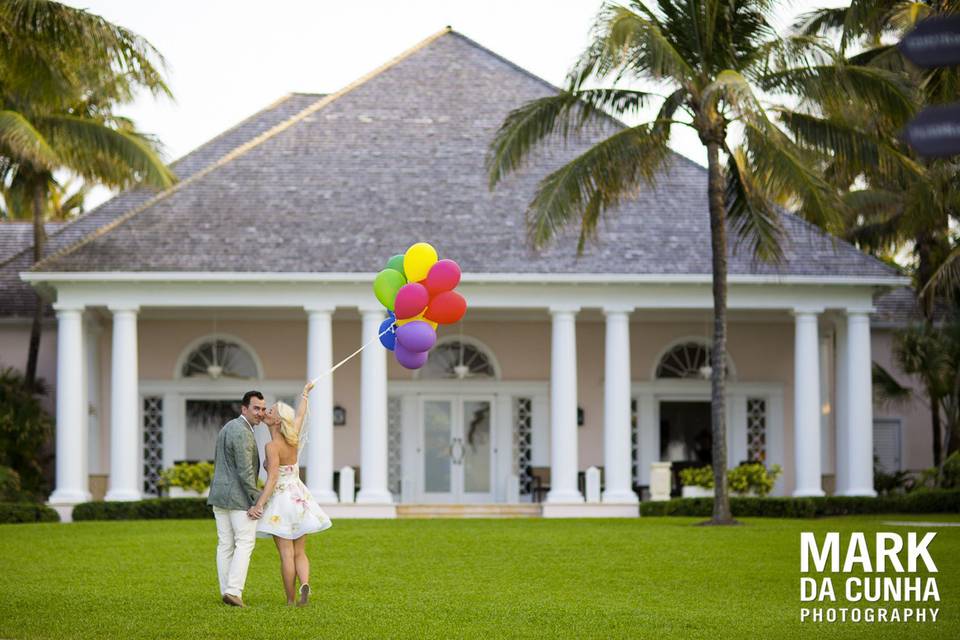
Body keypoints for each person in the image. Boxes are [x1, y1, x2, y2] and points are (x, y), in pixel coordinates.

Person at [254, 381, 333, 606]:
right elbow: (300, 414)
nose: (266, 412)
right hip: (300, 499)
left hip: (282, 502)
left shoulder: (273, 446)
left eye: (270, 411)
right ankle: (304, 583)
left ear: (277, 420)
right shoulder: (293, 437)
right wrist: (305, 394)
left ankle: (290, 600)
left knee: (286, 554)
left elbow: (273, 480)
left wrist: (259, 504)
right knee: (300, 551)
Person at [207, 390, 266, 608]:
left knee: (225, 544)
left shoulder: (227, 427)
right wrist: (256, 499)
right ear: (244, 409)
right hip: (237, 498)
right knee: (245, 542)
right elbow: (244, 470)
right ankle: (233, 591)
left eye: (262, 408)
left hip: (219, 495)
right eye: (256, 408)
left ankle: (226, 591)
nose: (260, 413)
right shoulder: (242, 432)